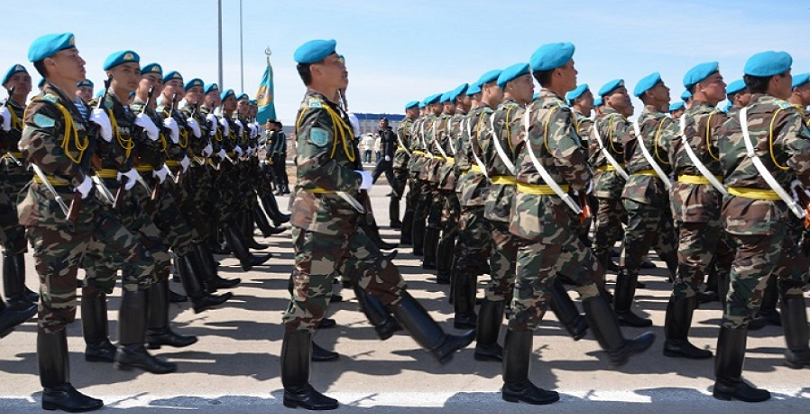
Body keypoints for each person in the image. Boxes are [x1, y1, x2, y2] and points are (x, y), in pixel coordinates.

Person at [281, 39, 473, 411]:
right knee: (306, 308)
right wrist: (358, 179)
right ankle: (295, 390)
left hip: (338, 221)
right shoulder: (317, 112)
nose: (344, 67)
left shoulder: (332, 108)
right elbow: (311, 168)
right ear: (316, 70)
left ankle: (438, 342)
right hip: (319, 224)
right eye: (336, 62)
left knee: (385, 278)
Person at [506, 42, 654, 405]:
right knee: (526, 301)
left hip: (540, 211)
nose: (576, 72)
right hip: (543, 217)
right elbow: (568, 154)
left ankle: (616, 346)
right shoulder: (555, 109)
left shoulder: (529, 110)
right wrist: (584, 180)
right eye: (572, 67)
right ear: (557, 74)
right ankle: (515, 384)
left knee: (588, 270)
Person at [19, 32, 156, 412]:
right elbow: (35, 146)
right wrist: (74, 174)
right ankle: (55, 389)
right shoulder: (43, 104)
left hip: (87, 208)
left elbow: (94, 152)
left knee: (141, 259)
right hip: (55, 214)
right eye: (72, 54)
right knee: (56, 307)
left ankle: (126, 346)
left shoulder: (75, 106)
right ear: (51, 64)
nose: (81, 61)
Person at [716, 50, 810, 402]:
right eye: (788, 75)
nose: (791, 81)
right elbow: (803, 160)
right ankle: (726, 380)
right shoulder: (785, 114)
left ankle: (799, 349)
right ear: (777, 80)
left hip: (742, 211)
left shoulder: (731, 119)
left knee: (794, 274)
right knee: (742, 298)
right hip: (766, 217)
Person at [1, 63, 39, 310]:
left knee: (20, 238)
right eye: (17, 78)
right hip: (7, 183)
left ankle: (20, 290)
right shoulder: (5, 112)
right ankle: (14, 296)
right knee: (11, 238)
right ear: (6, 85)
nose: (23, 82)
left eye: (27, 78)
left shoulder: (29, 112)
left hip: (25, 182)